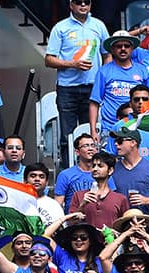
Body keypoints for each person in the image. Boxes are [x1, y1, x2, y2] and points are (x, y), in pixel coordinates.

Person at [45, 0, 108, 169]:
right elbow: (49, 60)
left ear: (91, 5)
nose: (83, 5)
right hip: (67, 88)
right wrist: (73, 64)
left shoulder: (99, 25)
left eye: (86, 2)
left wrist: (104, 76)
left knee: (92, 133)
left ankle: (94, 170)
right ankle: (70, 171)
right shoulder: (60, 27)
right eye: (78, 2)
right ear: (71, 5)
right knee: (68, 135)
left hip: (93, 88)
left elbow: (107, 54)